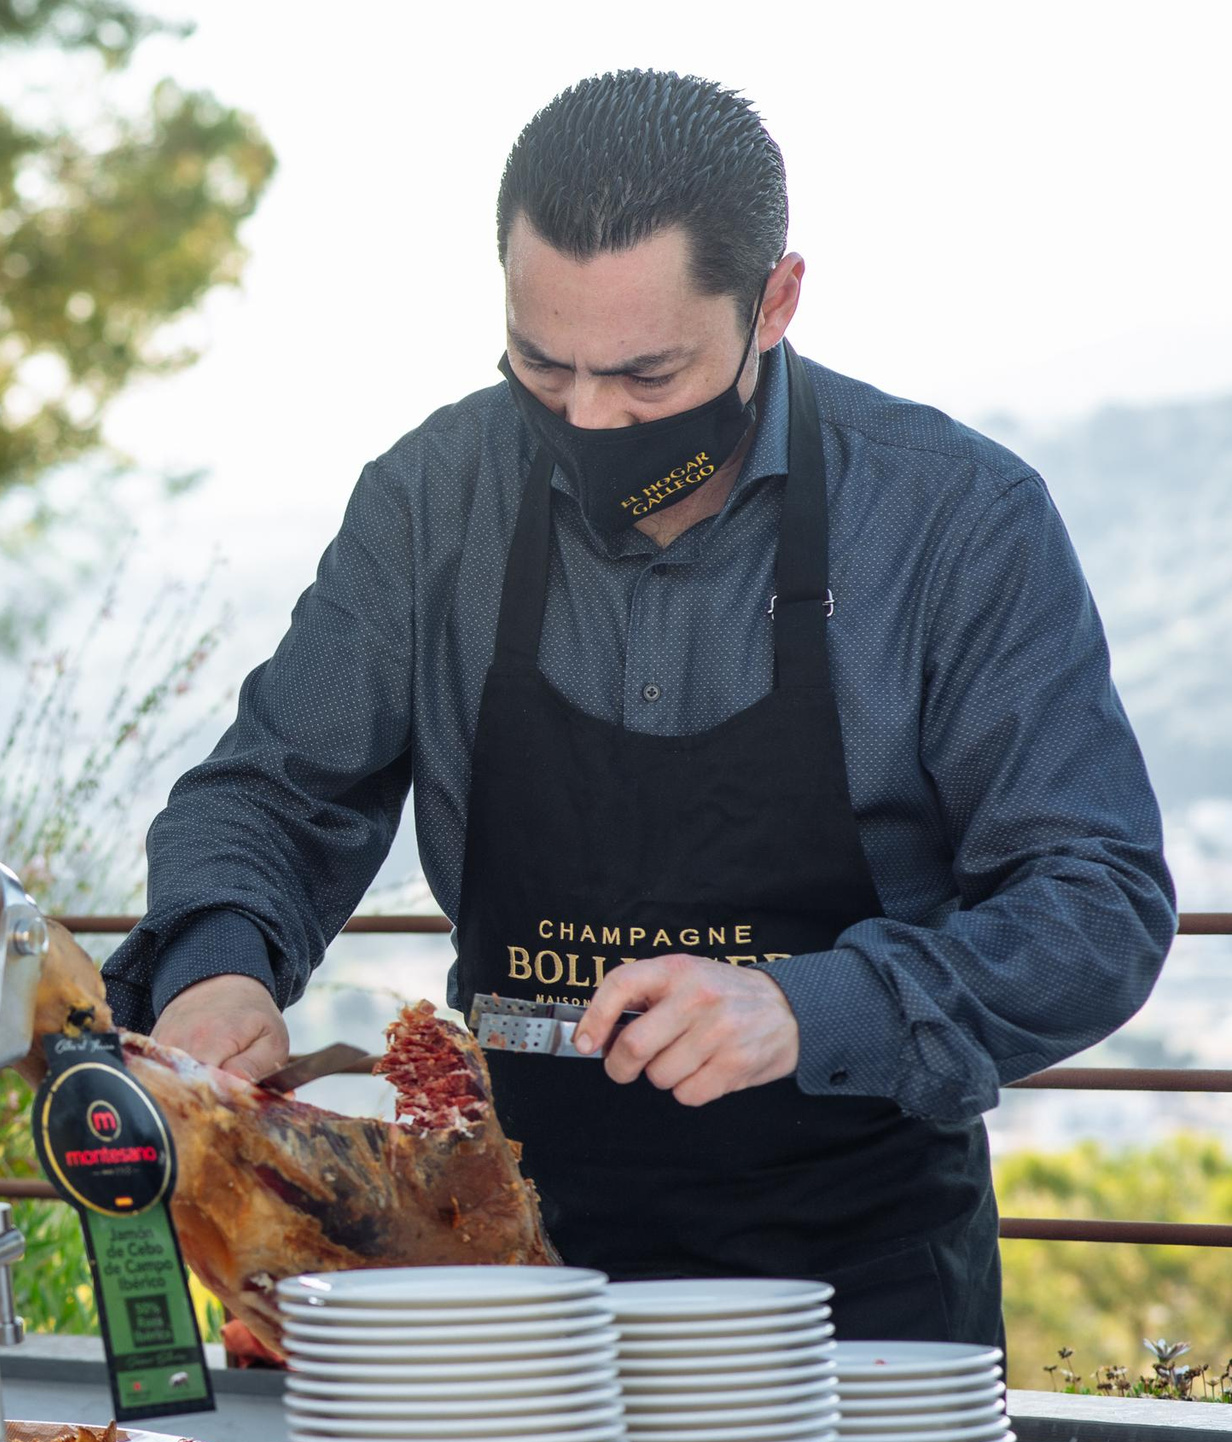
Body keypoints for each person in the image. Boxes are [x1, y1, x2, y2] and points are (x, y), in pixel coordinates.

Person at [104, 71, 1175, 1344]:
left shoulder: (953, 521)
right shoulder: (431, 499)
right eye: (540, 364)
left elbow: (1096, 904)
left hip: (862, 1293)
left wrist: (805, 1006)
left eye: (646, 378)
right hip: (505, 1263)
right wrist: (218, 968)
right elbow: (268, 798)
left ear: (772, 301)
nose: (587, 416)